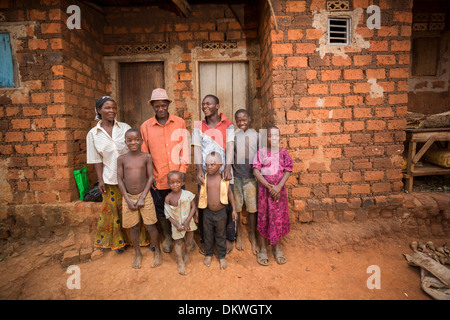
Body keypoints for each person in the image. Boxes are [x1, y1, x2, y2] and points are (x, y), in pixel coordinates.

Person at [86, 96, 148, 253]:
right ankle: (119, 242)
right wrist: (100, 180)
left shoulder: (125, 128)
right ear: (98, 110)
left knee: (132, 208)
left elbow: (134, 150)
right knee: (113, 210)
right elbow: (96, 159)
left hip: (130, 179)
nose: (112, 111)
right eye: (107, 108)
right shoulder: (93, 134)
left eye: (114, 108)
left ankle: (138, 240)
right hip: (110, 179)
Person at [140, 88, 190, 254]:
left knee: (178, 206)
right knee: (161, 208)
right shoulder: (145, 127)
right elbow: (145, 154)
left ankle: (180, 236)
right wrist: (150, 176)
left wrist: (182, 170)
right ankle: (168, 236)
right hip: (158, 177)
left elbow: (185, 149)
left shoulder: (179, 123)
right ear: (152, 106)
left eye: (163, 105)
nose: (160, 109)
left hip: (177, 177)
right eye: (156, 106)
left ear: (168, 104)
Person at [192, 95, 235, 254]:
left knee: (227, 205)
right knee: (204, 205)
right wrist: (199, 170)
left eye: (208, 103)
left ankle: (228, 238)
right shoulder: (198, 126)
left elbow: (230, 147)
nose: (205, 106)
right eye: (203, 104)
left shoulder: (228, 124)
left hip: (224, 172)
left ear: (217, 106)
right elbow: (196, 149)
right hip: (206, 172)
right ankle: (206, 239)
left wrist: (228, 167)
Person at [117, 128, 162, 269]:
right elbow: (119, 179)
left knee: (150, 225)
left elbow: (150, 178)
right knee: (133, 227)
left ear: (142, 141)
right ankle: (137, 253)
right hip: (128, 197)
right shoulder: (122, 159)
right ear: (125, 142)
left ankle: (158, 252)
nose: (133, 142)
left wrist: (142, 197)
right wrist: (128, 200)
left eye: (136, 139)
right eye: (129, 140)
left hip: (145, 196)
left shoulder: (146, 157)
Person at [253, 125, 293, 266]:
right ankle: (263, 248)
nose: (273, 138)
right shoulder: (261, 152)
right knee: (264, 217)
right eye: (270, 135)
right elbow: (256, 170)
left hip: (279, 193)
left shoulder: (283, 153)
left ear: (280, 137)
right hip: (265, 192)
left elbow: (288, 169)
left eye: (276, 135)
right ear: (266, 137)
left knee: (278, 218)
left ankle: (277, 247)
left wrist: (278, 187)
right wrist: (268, 186)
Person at [198, 152, 237, 270]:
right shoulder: (203, 178)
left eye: (212, 164)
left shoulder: (224, 178)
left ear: (220, 165)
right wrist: (196, 212)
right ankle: (209, 254)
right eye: (206, 164)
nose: (208, 167)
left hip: (221, 213)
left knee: (221, 234)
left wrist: (234, 210)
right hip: (207, 212)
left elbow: (230, 194)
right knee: (208, 234)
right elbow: (200, 195)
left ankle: (221, 256)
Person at [233, 109, 260, 254]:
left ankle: (252, 235)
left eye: (244, 119)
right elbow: (231, 155)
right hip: (237, 177)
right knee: (237, 208)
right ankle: (239, 235)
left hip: (251, 178)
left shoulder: (256, 135)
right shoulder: (234, 136)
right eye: (238, 120)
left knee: (252, 209)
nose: (241, 122)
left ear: (249, 118)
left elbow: (260, 155)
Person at [164, 170, 197, 275]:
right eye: (172, 183)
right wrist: (177, 225)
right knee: (178, 242)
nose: (175, 185)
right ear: (168, 184)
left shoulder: (188, 194)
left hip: (189, 222)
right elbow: (168, 214)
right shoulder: (168, 198)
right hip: (176, 224)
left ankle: (186, 254)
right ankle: (180, 262)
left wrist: (187, 221)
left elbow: (193, 207)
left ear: (182, 182)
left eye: (178, 182)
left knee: (189, 241)